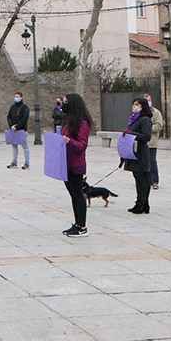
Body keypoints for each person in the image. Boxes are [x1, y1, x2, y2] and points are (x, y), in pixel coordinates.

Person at [60, 93, 93, 237]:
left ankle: (82, 227)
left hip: (76, 164)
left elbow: (82, 145)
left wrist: (69, 141)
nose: (63, 104)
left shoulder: (82, 123)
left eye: (66, 102)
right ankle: (77, 223)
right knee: (73, 194)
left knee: (78, 194)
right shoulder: (68, 121)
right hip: (66, 163)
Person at [124, 97, 154, 214]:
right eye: (134, 104)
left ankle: (142, 203)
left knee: (143, 179)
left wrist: (132, 133)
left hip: (141, 153)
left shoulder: (145, 120)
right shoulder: (134, 119)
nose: (135, 106)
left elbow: (146, 136)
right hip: (133, 151)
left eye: (138, 104)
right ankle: (140, 202)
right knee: (137, 178)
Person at [7, 91, 30, 170]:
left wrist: (17, 126)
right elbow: (9, 117)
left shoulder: (25, 107)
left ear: (21, 98)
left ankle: (27, 163)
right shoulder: (12, 107)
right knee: (14, 147)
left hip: (22, 130)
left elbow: (25, 118)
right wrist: (11, 125)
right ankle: (14, 162)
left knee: (25, 146)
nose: (16, 98)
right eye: (15, 97)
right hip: (13, 130)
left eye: (17, 97)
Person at [144, 93, 163, 190]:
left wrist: (147, 128)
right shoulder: (138, 113)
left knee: (152, 161)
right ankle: (145, 180)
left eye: (149, 100)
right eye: (146, 100)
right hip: (142, 142)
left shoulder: (156, 112)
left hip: (151, 142)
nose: (149, 102)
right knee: (142, 162)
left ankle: (154, 181)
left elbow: (159, 125)